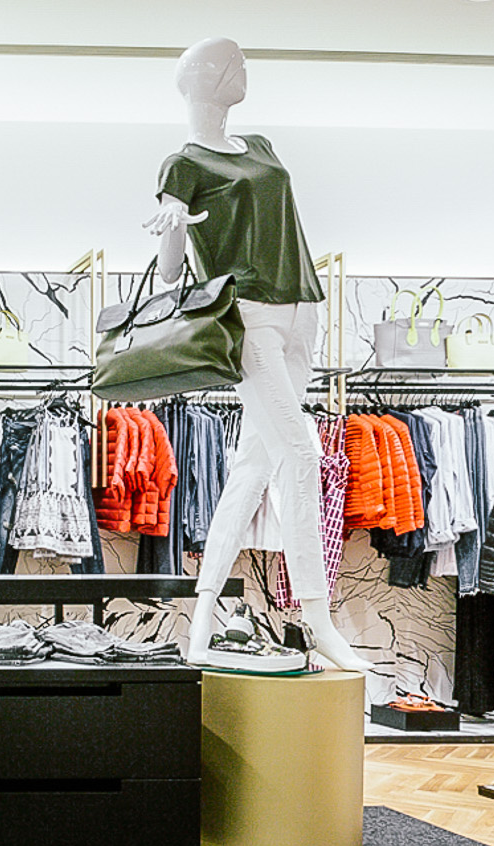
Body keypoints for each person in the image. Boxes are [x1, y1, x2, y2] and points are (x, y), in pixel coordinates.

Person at [144, 38, 369, 673]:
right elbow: (169, 274)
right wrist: (173, 230)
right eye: (232, 64)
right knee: (301, 452)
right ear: (204, 78)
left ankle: (202, 613)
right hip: (248, 316)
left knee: (252, 465)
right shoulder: (182, 164)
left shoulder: (263, 146)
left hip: (302, 307)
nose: (243, 72)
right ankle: (318, 619)